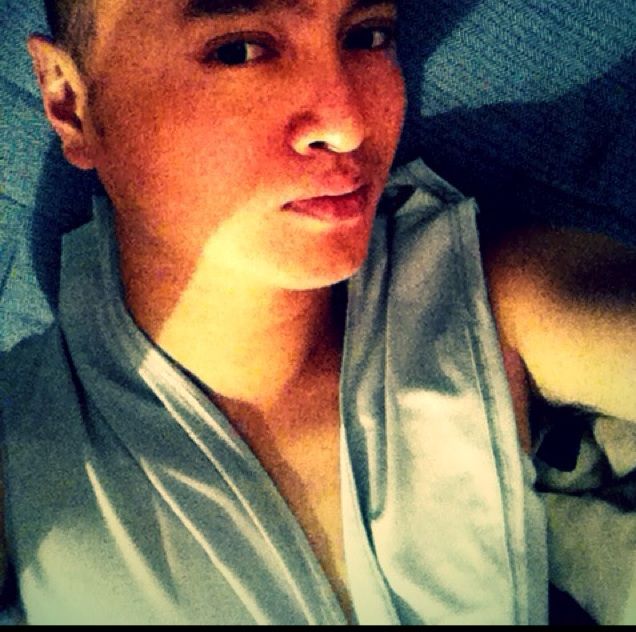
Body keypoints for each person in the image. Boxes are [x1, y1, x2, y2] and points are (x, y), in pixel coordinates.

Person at [0, 0, 634, 624]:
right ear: (68, 101)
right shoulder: (20, 436)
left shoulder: (490, 298)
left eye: (368, 36)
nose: (349, 125)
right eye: (238, 50)